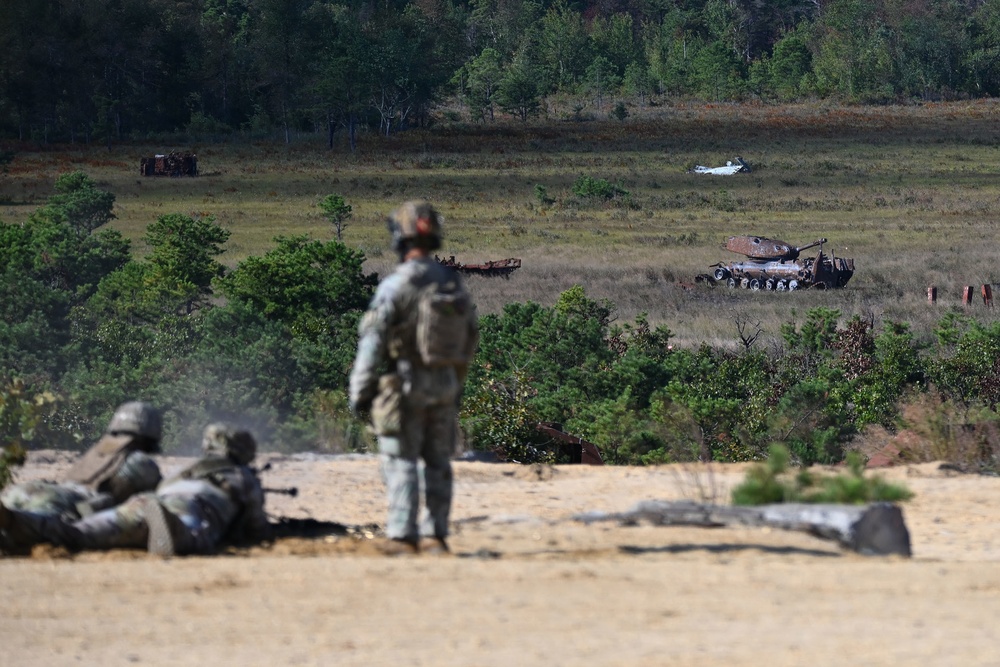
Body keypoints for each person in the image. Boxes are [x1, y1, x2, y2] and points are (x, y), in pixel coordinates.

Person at [349, 200, 479, 555]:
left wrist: (359, 390)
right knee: (438, 461)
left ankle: (403, 535)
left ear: (400, 238)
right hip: (444, 385)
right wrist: (455, 383)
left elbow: (373, 341)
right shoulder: (451, 282)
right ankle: (436, 535)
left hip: (404, 387)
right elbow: (469, 336)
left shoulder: (396, 286)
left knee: (401, 460)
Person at [1, 423, 270, 557]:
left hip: (146, 501)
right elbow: (256, 527)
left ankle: (14, 522)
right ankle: (174, 529)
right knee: (196, 538)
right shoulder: (241, 476)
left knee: (77, 535)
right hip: (189, 511)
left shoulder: (185, 472)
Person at [0, 401, 163, 554]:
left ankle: (10, 520)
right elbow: (162, 495)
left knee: (18, 526)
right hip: (63, 500)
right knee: (53, 533)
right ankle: (10, 520)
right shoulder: (141, 462)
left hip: (34, 489)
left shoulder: (99, 450)